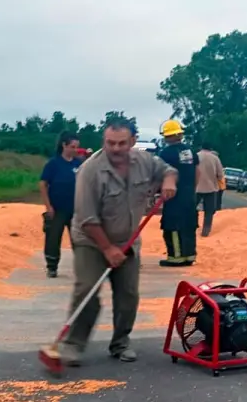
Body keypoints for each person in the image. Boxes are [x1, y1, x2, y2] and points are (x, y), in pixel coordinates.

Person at [61, 118, 178, 365]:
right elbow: (87, 218)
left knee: (128, 295)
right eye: (109, 143)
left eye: (121, 143)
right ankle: (73, 344)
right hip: (91, 241)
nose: (114, 148)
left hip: (128, 239)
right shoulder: (89, 171)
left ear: (132, 142)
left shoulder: (144, 161)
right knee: (87, 290)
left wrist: (168, 182)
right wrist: (107, 248)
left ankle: (121, 343)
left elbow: (168, 170)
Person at [40, 131, 82, 278]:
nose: (75, 150)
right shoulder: (53, 164)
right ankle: (52, 266)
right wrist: (48, 206)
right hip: (57, 208)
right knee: (53, 238)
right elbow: (43, 184)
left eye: (77, 147)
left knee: (79, 240)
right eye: (72, 146)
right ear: (64, 145)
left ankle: (83, 268)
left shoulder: (79, 164)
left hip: (76, 209)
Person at [156, 119, 199, 267]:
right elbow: (197, 172)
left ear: (168, 136)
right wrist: (192, 188)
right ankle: (189, 255)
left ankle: (176, 257)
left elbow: (160, 173)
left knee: (172, 226)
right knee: (189, 224)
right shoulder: (190, 151)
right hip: (189, 194)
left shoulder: (166, 153)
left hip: (173, 195)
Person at [196, 142, 224, 237]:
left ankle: (189, 226)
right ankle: (206, 230)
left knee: (190, 208)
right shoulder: (215, 158)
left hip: (196, 188)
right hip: (211, 188)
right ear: (211, 148)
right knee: (209, 211)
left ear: (201, 147)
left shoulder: (195, 156)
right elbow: (220, 175)